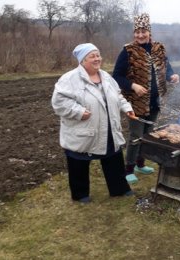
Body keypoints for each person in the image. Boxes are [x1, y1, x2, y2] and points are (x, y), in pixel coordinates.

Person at [51, 43, 135, 203]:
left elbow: (118, 95)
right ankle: (80, 194)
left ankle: (119, 189)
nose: (97, 59)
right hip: (83, 129)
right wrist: (78, 112)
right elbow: (59, 102)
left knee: (113, 157)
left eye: (98, 55)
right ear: (83, 60)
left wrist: (126, 108)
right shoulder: (69, 79)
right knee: (78, 161)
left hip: (108, 127)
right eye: (92, 56)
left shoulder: (106, 77)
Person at [113, 13, 180, 184]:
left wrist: (172, 76)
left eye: (143, 31)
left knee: (148, 135)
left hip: (155, 101)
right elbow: (117, 76)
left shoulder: (159, 48)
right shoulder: (128, 51)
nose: (140, 35)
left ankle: (140, 164)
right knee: (136, 136)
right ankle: (128, 169)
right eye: (137, 31)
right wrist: (133, 86)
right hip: (136, 102)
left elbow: (166, 67)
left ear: (149, 31)